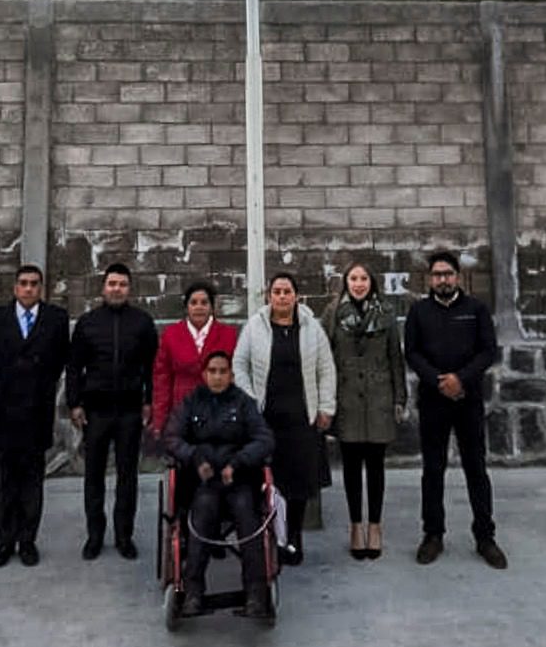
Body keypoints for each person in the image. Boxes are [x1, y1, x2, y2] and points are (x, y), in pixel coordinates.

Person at [404, 250, 507, 569]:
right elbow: (412, 352)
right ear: (429, 279)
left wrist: (460, 379)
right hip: (433, 400)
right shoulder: (418, 312)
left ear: (458, 277)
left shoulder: (476, 309)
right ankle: (432, 535)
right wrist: (438, 381)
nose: (443, 279)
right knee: (432, 471)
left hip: (468, 400)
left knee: (476, 468)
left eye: (448, 274)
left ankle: (485, 537)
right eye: (437, 275)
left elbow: (488, 351)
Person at [233, 270, 335, 565]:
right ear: (268, 296)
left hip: (303, 419)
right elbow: (239, 365)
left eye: (287, 291)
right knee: (267, 481)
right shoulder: (255, 326)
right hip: (266, 419)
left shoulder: (311, 327)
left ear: (296, 296)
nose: (281, 296)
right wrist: (251, 402)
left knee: (298, 484)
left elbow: (326, 369)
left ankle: (293, 538)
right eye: (276, 291)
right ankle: (267, 538)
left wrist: (326, 408)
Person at [168, 348, 274, 618]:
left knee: (247, 517)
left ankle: (256, 594)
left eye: (222, 372)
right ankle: (192, 592)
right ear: (204, 374)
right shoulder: (191, 402)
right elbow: (172, 438)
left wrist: (237, 463)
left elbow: (264, 439)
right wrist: (194, 459)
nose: (217, 376)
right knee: (201, 514)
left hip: (238, 480)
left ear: (231, 375)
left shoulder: (244, 403)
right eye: (212, 371)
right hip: (203, 481)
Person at [65, 261, 158, 561]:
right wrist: (74, 403)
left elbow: (152, 367)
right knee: (93, 476)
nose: (117, 289)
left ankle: (123, 535)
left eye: (122, 284)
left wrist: (149, 400)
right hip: (96, 411)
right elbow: (74, 366)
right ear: (103, 288)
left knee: (127, 476)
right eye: (112, 284)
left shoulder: (142, 323)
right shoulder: (88, 323)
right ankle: (95, 535)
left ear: (129, 289)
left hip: (130, 410)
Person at [0, 263, 70, 568]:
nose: (29, 288)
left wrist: (39, 389)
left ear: (41, 288)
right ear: (15, 288)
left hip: (36, 412)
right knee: (5, 482)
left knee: (33, 482)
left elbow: (59, 361)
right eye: (23, 283)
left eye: (34, 283)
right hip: (5, 413)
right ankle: (5, 540)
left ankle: (28, 540)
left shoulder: (56, 319)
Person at [321, 260, 407, 560]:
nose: (359, 284)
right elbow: (323, 355)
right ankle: (356, 524)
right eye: (353, 278)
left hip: (378, 396)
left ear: (372, 282)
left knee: (376, 465)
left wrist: (399, 397)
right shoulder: (333, 313)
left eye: (364, 279)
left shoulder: (385, 312)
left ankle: (375, 525)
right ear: (346, 282)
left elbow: (395, 356)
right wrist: (324, 400)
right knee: (351, 465)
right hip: (346, 398)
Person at [150, 281, 239, 441]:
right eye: (194, 302)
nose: (199, 307)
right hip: (182, 413)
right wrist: (160, 420)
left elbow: (235, 377)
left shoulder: (228, 335)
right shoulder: (171, 335)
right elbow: (162, 379)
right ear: (187, 307)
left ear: (212, 307)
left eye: (204, 303)